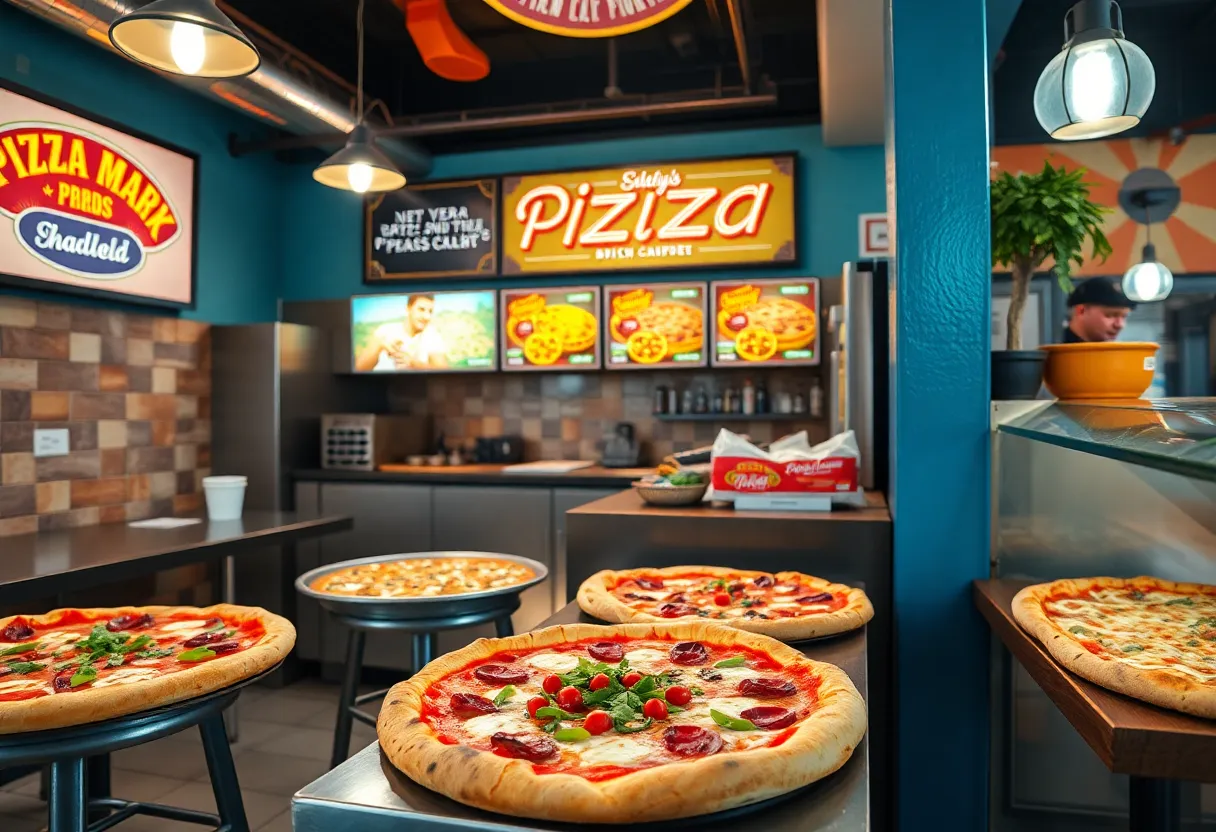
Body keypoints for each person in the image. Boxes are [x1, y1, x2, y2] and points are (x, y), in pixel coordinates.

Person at [354, 294, 449, 371]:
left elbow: (443, 372)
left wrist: (412, 363)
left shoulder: (432, 335)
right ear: (408, 308)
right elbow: (358, 368)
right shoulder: (386, 330)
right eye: (421, 310)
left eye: (430, 311)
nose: (427, 317)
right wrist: (379, 345)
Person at [1061, 277, 1136, 343]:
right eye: (1110, 315)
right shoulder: (1056, 349)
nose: (1120, 324)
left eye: (1124, 316)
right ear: (1081, 311)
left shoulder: (1115, 351)